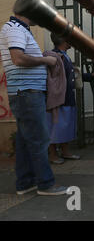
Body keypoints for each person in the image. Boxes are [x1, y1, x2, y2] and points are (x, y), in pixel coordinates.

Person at [0, 14, 68, 195]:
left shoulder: (18, 29)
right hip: (27, 92)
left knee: (24, 141)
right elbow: (18, 59)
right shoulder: (15, 29)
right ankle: (46, 184)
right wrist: (46, 60)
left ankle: (25, 182)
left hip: (25, 92)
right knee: (40, 139)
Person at [46, 33, 94, 164]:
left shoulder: (64, 55)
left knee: (66, 126)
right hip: (57, 98)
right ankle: (53, 155)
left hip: (67, 97)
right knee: (54, 127)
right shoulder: (54, 56)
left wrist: (92, 75)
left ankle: (65, 152)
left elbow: (73, 76)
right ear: (63, 40)